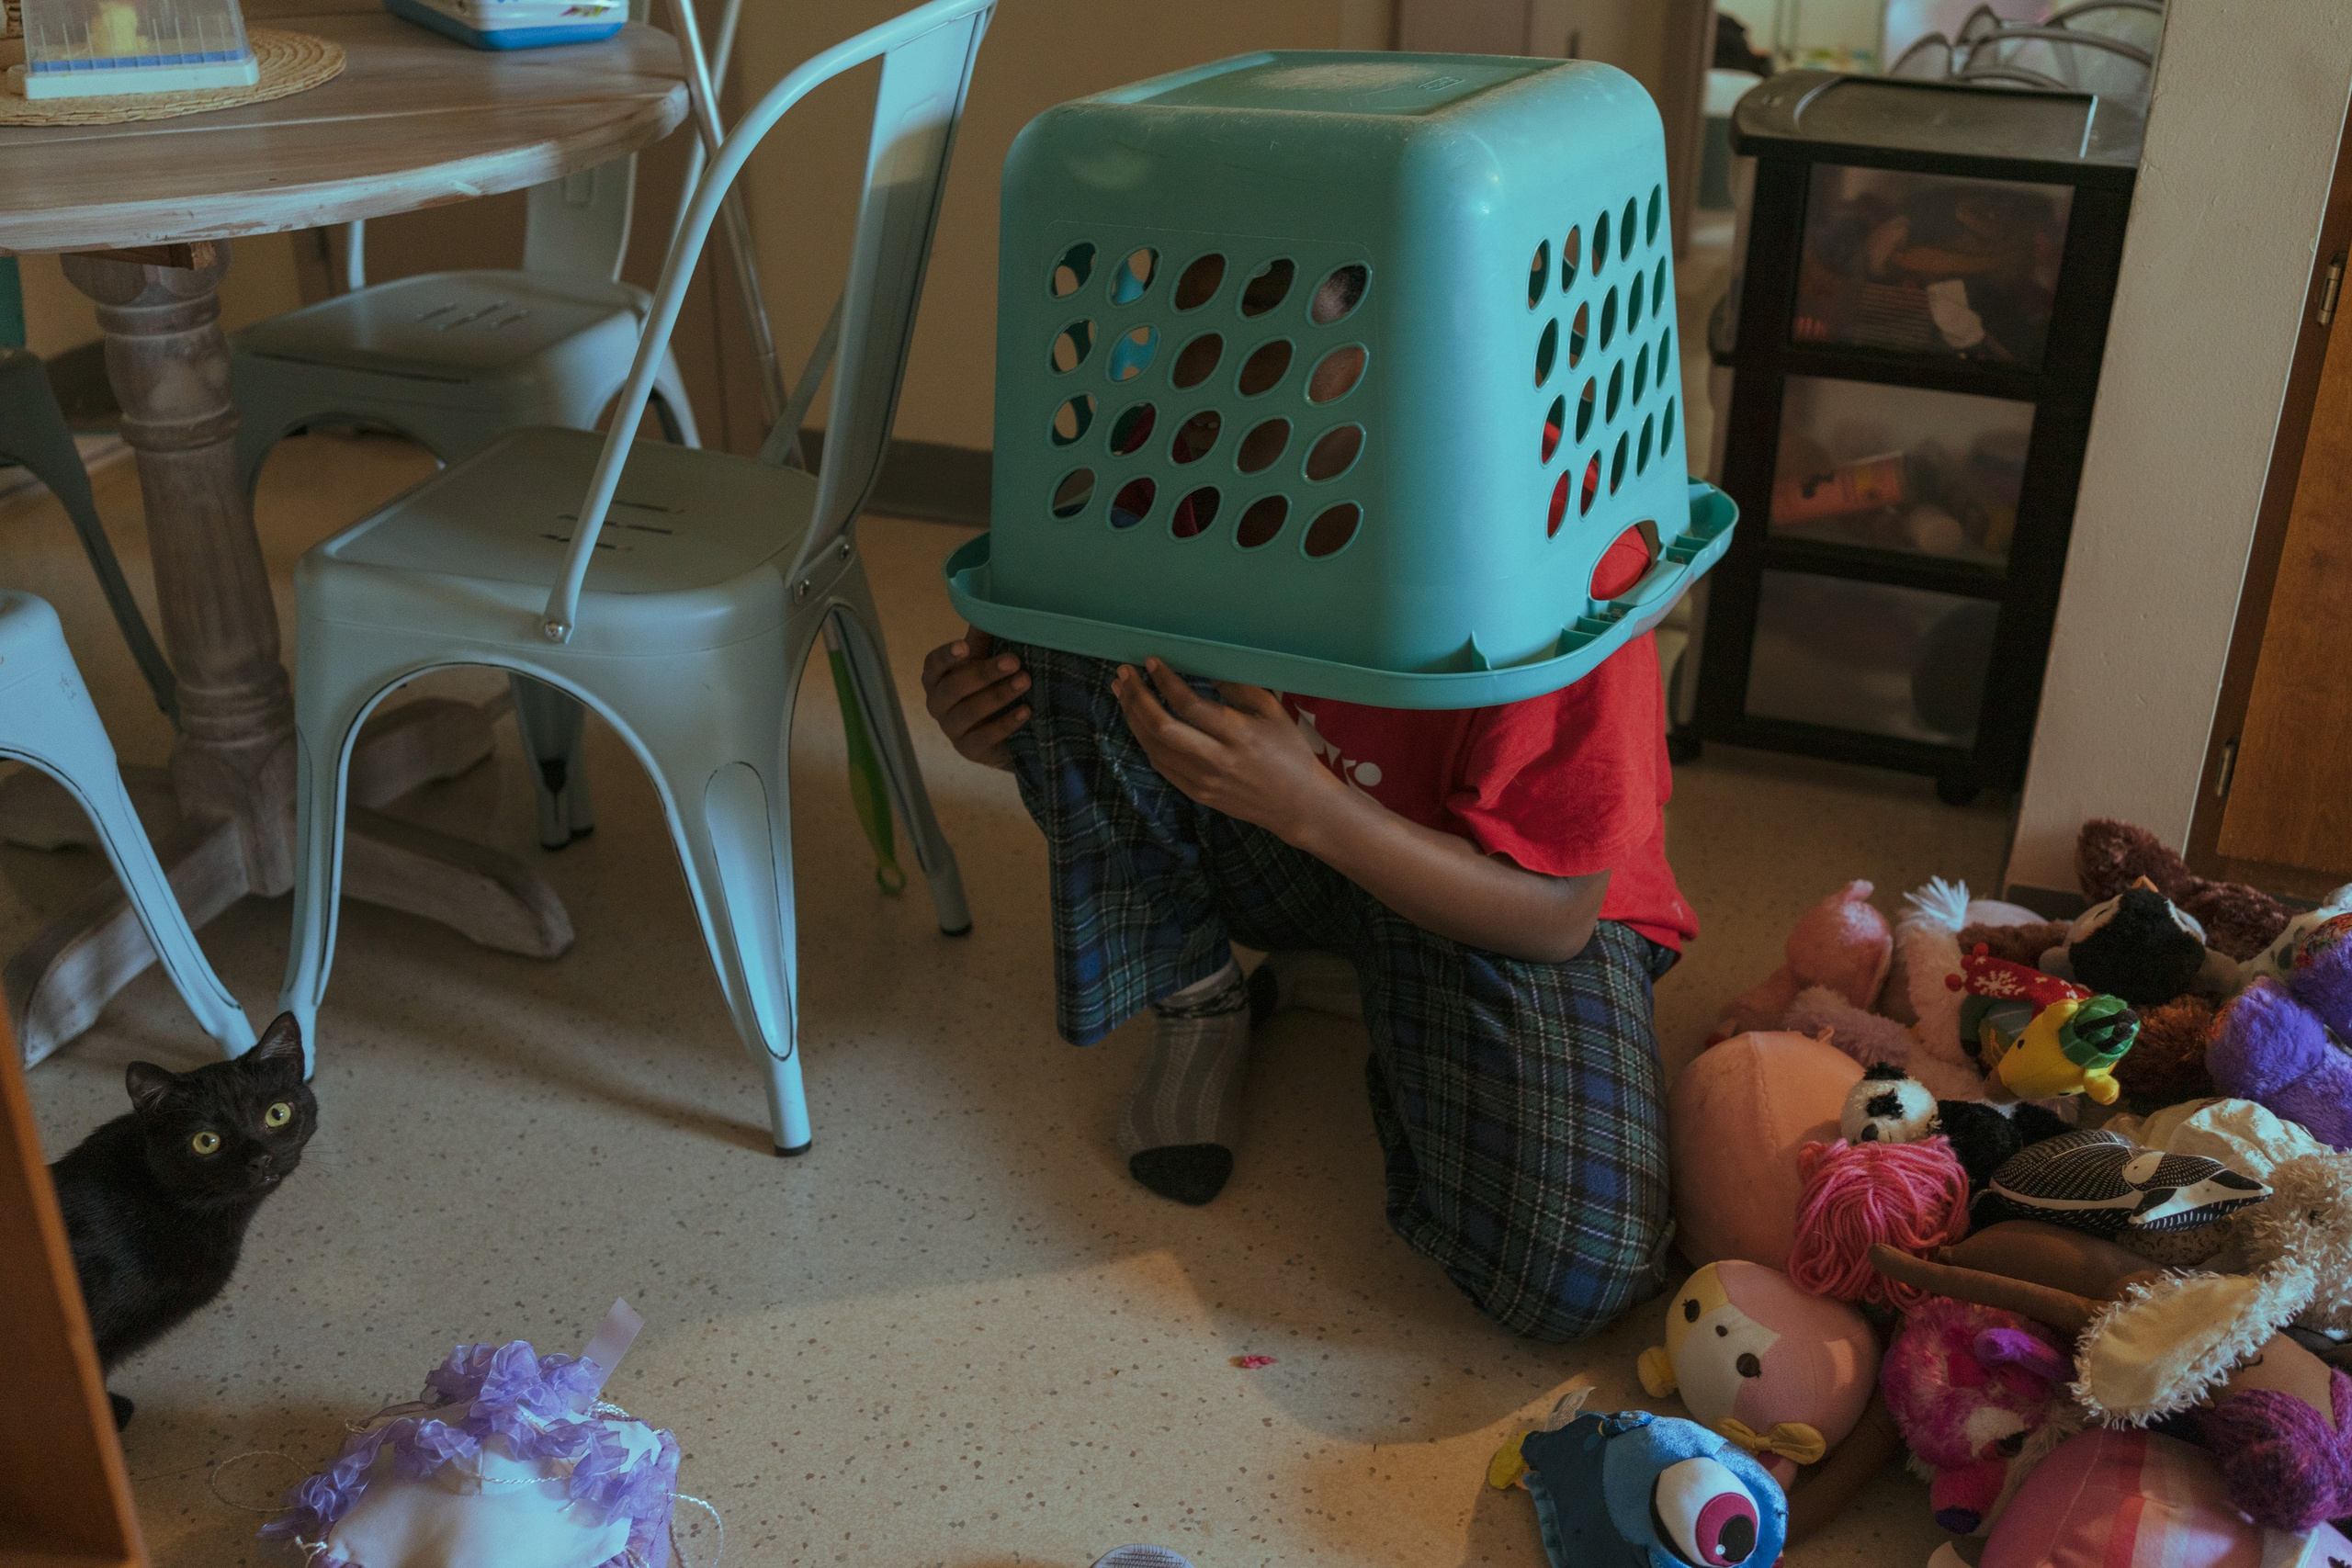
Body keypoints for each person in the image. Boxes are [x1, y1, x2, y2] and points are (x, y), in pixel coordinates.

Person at [919, 629, 1694, 1341]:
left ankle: (1386, 984)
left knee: (1577, 1260)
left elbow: (1558, 917)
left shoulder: (1565, 542)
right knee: (1056, 631)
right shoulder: (1169, 482)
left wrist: (1315, 810)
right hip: (1266, 818)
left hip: (1484, 881)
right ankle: (1200, 1000)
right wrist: (1014, 723)